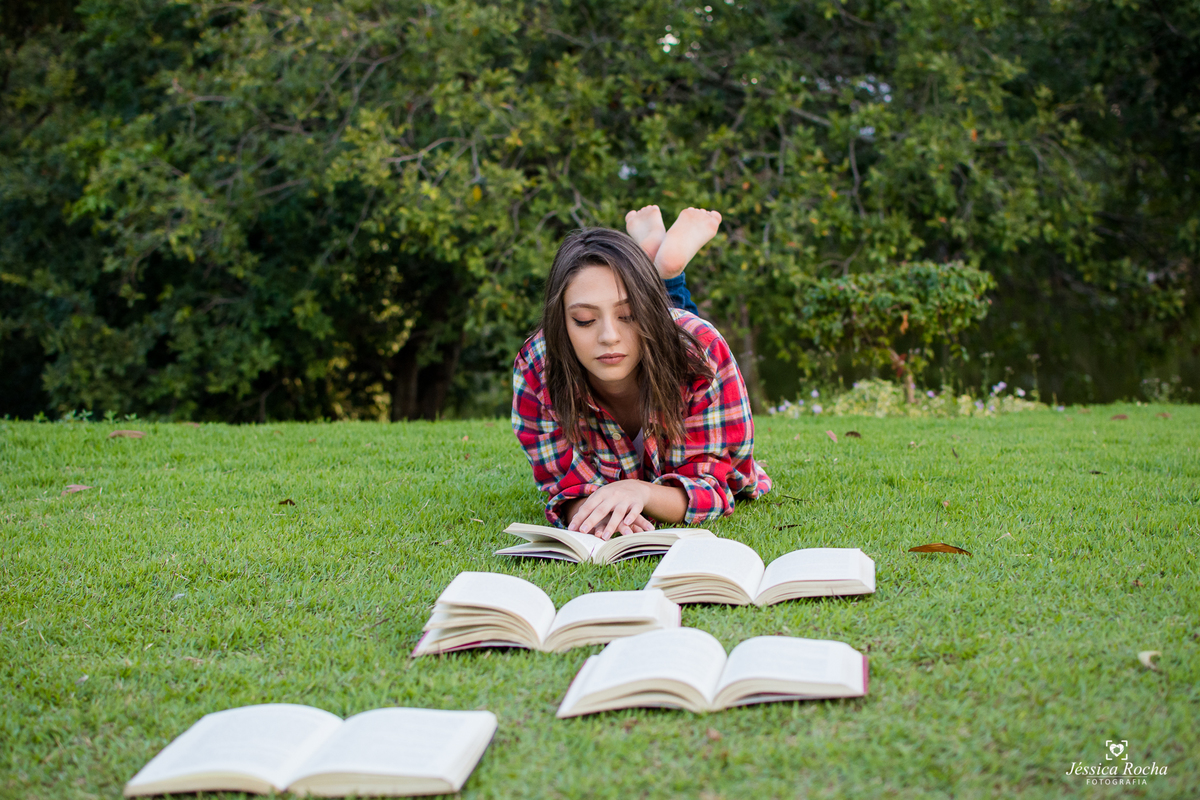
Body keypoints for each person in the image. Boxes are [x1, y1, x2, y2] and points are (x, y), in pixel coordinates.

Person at [511, 205, 772, 539]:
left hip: (671, 339)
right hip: (657, 328)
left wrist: (640, 492)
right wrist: (594, 511)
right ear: (559, 321)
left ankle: (666, 273)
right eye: (584, 320)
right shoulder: (537, 365)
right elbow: (564, 486)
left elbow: (718, 486)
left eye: (628, 315)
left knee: (674, 324)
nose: (608, 336)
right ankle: (659, 268)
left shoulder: (703, 351)